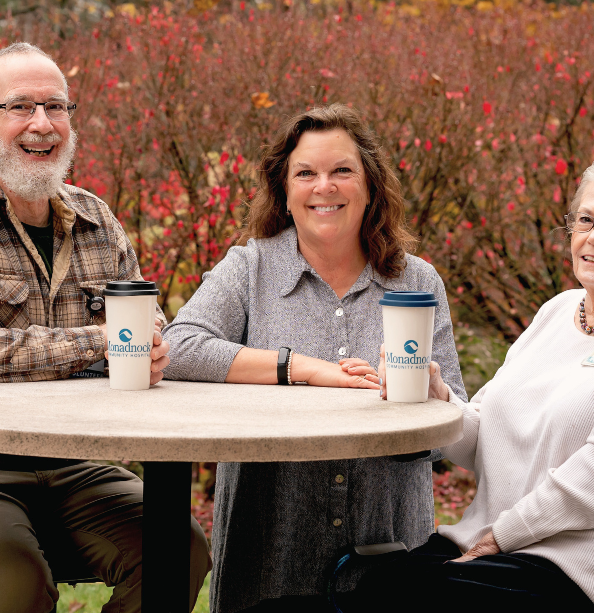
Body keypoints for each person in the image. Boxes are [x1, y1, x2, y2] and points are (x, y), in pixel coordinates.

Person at [0, 42, 210, 613]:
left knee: (180, 551)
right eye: (20, 107)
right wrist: (109, 343)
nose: (42, 124)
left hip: (76, 463)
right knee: (15, 582)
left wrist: (147, 343)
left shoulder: (96, 218)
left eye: (56, 107)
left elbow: (149, 319)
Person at [354, 157, 594, 613]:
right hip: (500, 547)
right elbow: (486, 435)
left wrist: (503, 536)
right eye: (586, 220)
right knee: (374, 587)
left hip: (588, 573)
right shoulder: (558, 311)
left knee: (408, 598)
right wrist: (438, 399)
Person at [163, 104, 467, 613]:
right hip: (270, 556)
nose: (323, 186)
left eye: (342, 171)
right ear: (285, 190)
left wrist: (429, 401)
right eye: (305, 173)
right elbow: (180, 347)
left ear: (370, 185)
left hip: (390, 556)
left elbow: (453, 430)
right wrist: (301, 369)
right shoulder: (251, 267)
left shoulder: (417, 281)